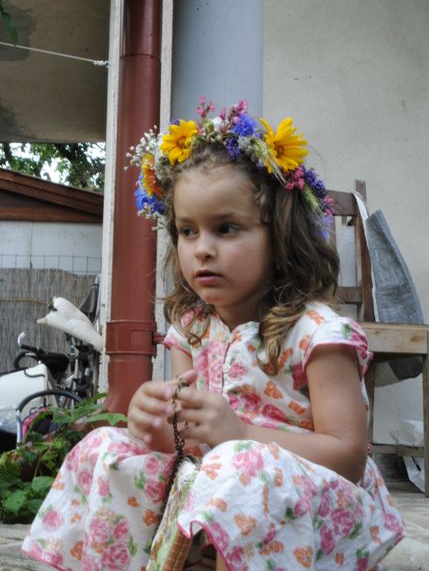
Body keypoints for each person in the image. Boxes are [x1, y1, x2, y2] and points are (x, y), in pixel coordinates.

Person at [22, 99, 404, 571]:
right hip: (225, 485)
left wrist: (241, 435)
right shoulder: (194, 329)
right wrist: (158, 429)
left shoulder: (318, 335)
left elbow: (348, 459)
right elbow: (192, 445)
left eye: (226, 228)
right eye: (188, 230)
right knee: (108, 448)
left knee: (240, 466)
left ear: (280, 235)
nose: (202, 249)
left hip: (318, 513)